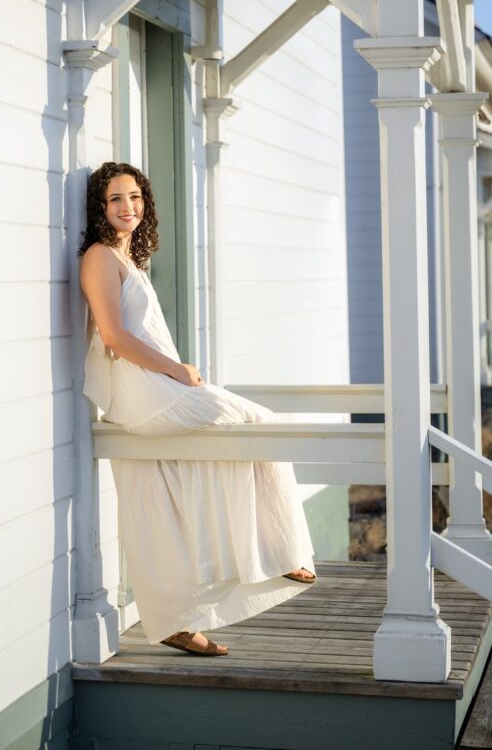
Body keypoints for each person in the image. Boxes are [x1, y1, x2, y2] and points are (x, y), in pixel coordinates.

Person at [79, 161, 316, 657]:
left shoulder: (128, 257)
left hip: (149, 387)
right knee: (257, 423)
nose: (129, 208)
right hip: (141, 391)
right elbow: (115, 337)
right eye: (117, 199)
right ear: (101, 208)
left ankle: (172, 619)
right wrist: (177, 370)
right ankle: (278, 551)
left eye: (136, 198)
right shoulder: (100, 257)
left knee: (156, 503)